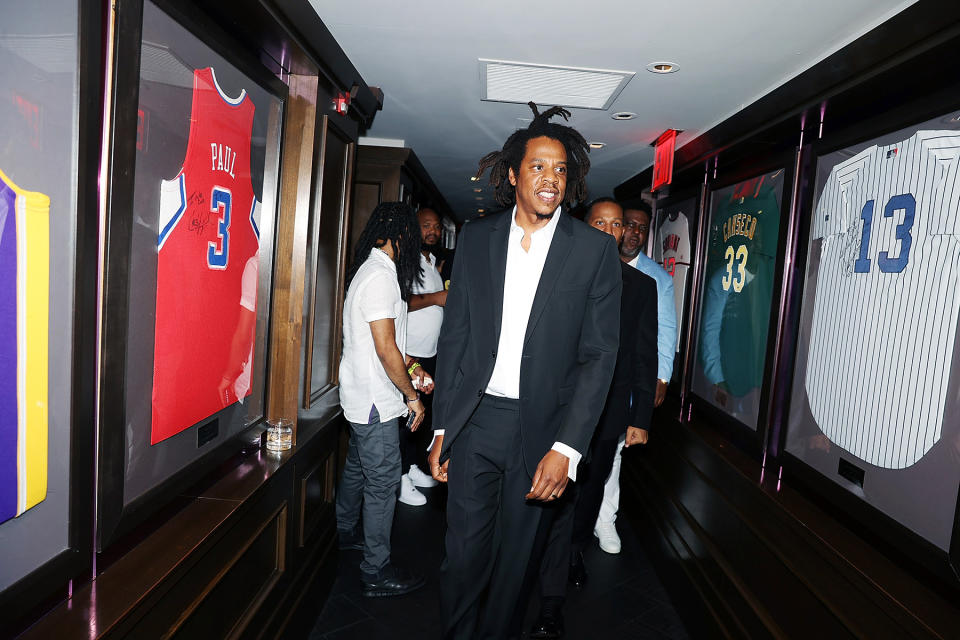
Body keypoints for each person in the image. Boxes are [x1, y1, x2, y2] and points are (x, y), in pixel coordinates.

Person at [427, 103, 622, 639]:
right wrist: (444, 426)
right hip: (476, 422)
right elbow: (458, 336)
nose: (551, 179)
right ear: (514, 175)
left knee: (516, 568)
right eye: (538, 167)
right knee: (461, 559)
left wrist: (567, 449)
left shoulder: (594, 252)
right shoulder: (477, 239)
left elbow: (599, 356)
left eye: (560, 170)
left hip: (544, 433)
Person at [529, 198, 658, 639]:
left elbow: (644, 353)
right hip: (556, 407)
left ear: (625, 232)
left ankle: (572, 552)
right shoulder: (559, 270)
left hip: (608, 412)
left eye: (616, 224)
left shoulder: (642, 287)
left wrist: (639, 415)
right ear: (585, 226)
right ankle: (540, 564)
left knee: (588, 492)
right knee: (548, 489)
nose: (608, 230)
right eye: (599, 222)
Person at [335, 202, 430, 598]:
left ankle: (343, 531)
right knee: (383, 483)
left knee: (358, 466)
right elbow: (385, 347)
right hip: (376, 400)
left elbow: (389, 344)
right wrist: (412, 396)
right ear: (401, 235)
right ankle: (375, 571)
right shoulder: (380, 277)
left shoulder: (373, 270)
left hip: (362, 396)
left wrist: (414, 370)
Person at [590, 203, 678, 555]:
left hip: (626, 382)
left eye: (642, 228)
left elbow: (664, 330)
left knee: (612, 452)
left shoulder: (657, 279)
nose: (634, 233)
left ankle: (604, 518)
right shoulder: (586, 265)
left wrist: (661, 378)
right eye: (628, 225)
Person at [399, 207, 447, 506]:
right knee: (405, 418)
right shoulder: (407, 260)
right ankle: (400, 480)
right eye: (426, 225)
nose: (433, 231)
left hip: (429, 353)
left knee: (419, 418)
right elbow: (401, 302)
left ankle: (411, 467)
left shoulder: (430, 262)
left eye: (437, 226)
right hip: (409, 354)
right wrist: (436, 297)